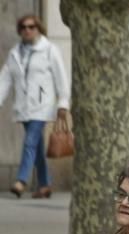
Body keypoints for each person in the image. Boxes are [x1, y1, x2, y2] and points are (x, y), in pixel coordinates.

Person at [0, 14, 70, 199]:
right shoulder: (15, 53)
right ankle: (45, 185)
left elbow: (61, 77)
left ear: (39, 28)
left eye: (31, 27)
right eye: (23, 27)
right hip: (23, 107)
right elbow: (5, 79)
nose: (27, 30)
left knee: (29, 142)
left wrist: (63, 102)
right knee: (37, 147)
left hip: (42, 106)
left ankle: (20, 180)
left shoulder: (49, 50)